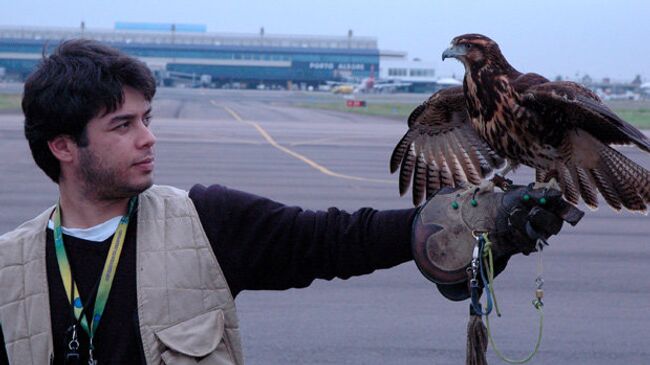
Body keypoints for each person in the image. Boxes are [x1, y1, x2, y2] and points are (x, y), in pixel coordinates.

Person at [0, 40, 579, 365]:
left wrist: (464, 224)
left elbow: (334, 239)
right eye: (122, 125)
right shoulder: (8, 272)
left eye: (148, 118)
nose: (149, 137)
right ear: (62, 147)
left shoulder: (206, 223)